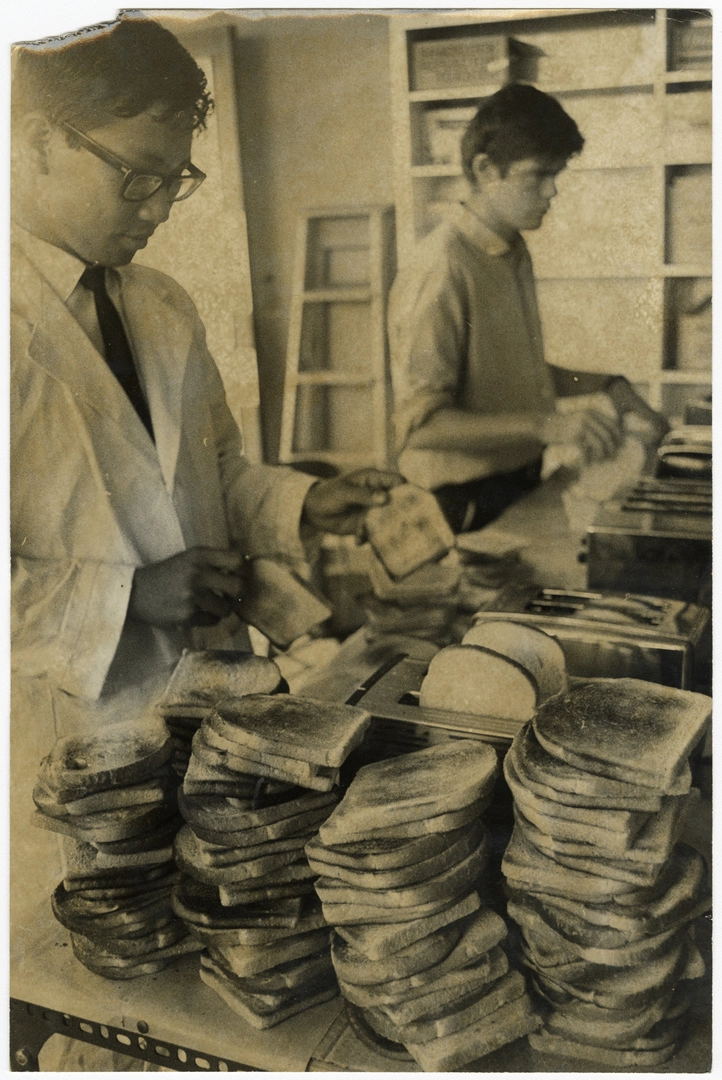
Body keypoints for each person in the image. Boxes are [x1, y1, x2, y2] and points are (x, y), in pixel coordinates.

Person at [10, 15, 400, 954]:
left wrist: (304, 501)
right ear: (35, 142)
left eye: (175, 179)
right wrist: (126, 595)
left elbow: (214, 470)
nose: (159, 207)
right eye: (135, 176)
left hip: (208, 710)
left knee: (220, 939)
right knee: (96, 969)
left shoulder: (161, 303)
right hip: (62, 723)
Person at [389, 83, 668, 534]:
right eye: (538, 175)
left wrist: (611, 386)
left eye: (556, 174)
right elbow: (420, 428)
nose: (552, 191)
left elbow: (515, 377)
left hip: (516, 483)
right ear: (485, 170)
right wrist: (548, 426)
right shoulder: (440, 267)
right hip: (459, 505)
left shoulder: (511, 250)